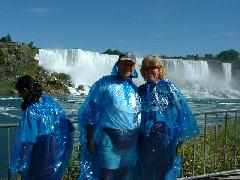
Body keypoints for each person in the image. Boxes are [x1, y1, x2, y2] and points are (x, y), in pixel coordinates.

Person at [78, 52, 141, 180]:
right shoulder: (104, 83)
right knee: (107, 175)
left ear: (134, 67)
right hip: (109, 139)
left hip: (131, 141)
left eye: (130, 64)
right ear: (118, 64)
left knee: (126, 174)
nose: (127, 67)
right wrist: (90, 138)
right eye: (124, 63)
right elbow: (90, 111)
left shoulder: (134, 88)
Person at [138, 55, 199, 180]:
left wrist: (179, 135)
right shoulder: (141, 90)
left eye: (153, 67)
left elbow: (182, 112)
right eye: (146, 68)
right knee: (146, 171)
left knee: (164, 172)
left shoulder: (168, 87)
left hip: (165, 139)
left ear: (160, 69)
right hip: (145, 140)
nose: (149, 71)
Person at [10, 75, 74, 179]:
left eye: (19, 92)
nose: (19, 96)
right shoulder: (51, 104)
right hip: (53, 151)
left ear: (25, 90)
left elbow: (27, 140)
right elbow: (66, 126)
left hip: (38, 154)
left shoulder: (31, 111)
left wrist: (22, 161)